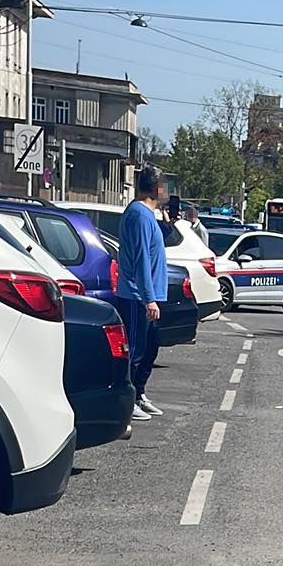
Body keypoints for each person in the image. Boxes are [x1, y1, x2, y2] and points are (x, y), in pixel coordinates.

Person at [116, 167, 169, 421]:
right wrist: (148, 298)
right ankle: (126, 400)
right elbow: (141, 260)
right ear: (156, 187)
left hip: (151, 296)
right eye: (164, 186)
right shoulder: (138, 215)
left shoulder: (149, 215)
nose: (166, 191)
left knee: (151, 348)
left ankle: (139, 393)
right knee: (135, 351)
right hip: (138, 296)